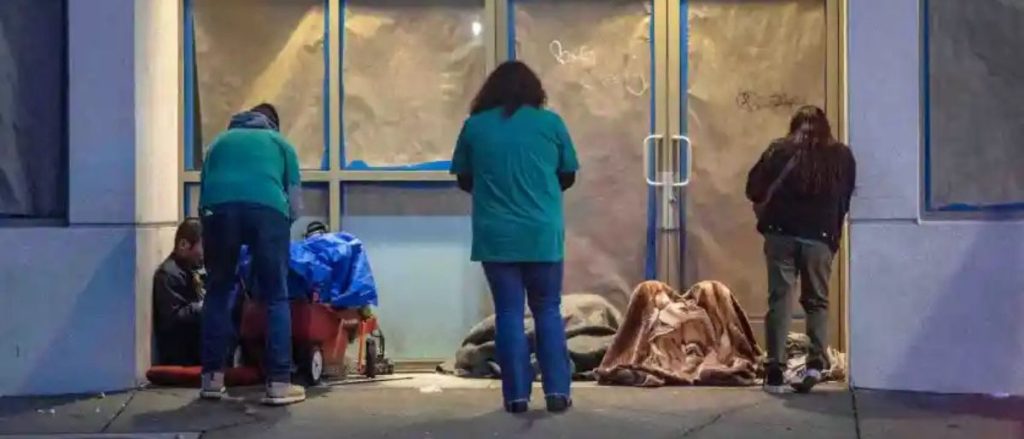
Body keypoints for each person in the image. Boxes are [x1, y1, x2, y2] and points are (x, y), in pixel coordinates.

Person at [450, 61, 579, 414]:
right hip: (541, 232)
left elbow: (464, 178)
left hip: (497, 235)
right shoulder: (551, 123)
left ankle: (516, 397)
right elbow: (567, 175)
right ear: (535, 90)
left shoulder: (475, 127)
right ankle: (557, 392)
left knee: (508, 312)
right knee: (548, 310)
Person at [198, 103, 305, 406]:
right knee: (276, 296)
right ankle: (279, 384)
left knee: (217, 291)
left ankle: (211, 380)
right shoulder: (280, 144)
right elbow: (295, 204)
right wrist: (279, 231)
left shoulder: (217, 143)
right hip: (267, 210)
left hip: (217, 210)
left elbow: (203, 193)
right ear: (273, 124)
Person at [745, 105, 856, 394]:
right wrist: (832, 235)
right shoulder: (841, 156)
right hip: (820, 238)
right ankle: (815, 364)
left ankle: (775, 370)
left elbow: (753, 189)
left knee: (780, 299)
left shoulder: (778, 150)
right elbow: (845, 198)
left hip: (780, 234)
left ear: (793, 126)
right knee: (817, 301)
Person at [152, 218, 205, 366]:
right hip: (182, 356)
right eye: (202, 246)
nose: (203, 254)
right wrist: (204, 306)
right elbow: (174, 319)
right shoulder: (168, 275)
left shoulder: (190, 270)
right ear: (183, 245)